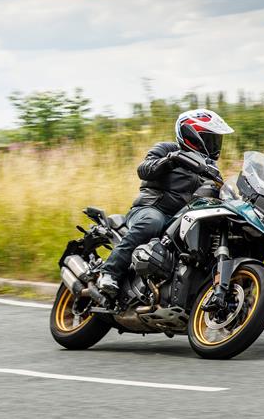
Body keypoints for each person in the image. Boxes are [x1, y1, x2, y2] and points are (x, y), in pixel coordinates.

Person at [97, 109, 234, 302]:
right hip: (150, 209)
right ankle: (109, 272)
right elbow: (144, 169)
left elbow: (219, 192)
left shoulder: (210, 169)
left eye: (216, 139)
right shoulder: (167, 149)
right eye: (210, 138)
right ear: (191, 136)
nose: (215, 144)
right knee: (153, 222)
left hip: (183, 218)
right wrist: (171, 160)